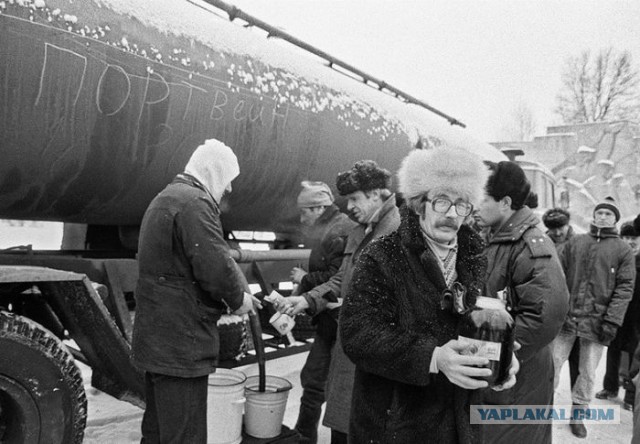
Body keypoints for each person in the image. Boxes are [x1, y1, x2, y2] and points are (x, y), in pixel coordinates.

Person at [339, 147, 518, 443]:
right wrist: (433, 357)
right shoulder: (382, 255)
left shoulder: (473, 259)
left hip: (457, 423)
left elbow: (476, 326)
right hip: (395, 425)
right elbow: (357, 334)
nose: (451, 214)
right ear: (421, 203)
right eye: (442, 201)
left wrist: (502, 356)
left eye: (462, 204)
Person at [131, 139, 257, 443]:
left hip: (157, 343)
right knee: (185, 435)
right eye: (227, 180)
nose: (228, 190)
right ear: (213, 173)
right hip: (181, 347)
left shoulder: (164, 197)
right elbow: (215, 266)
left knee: (158, 432)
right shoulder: (195, 204)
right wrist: (240, 299)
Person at [280, 160, 400, 444]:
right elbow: (341, 279)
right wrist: (307, 300)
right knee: (342, 418)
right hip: (349, 340)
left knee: (364, 423)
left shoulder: (397, 232)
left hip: (374, 349)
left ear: (376, 194)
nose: (349, 207)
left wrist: (351, 306)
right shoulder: (360, 231)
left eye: (355, 198)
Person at [474, 161, 569, 444]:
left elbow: (546, 314)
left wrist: (500, 354)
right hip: (498, 369)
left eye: (482, 198)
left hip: (519, 371)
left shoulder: (529, 245)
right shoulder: (496, 239)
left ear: (505, 202)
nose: (474, 206)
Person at [554, 196, 635, 438]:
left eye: (608, 214)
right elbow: (557, 274)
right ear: (593, 216)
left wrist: (612, 320)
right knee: (552, 365)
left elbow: (624, 288)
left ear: (615, 219)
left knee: (587, 372)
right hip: (566, 320)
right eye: (599, 212)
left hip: (597, 322)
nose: (602, 217)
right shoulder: (576, 242)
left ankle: (578, 416)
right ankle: (542, 410)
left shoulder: (622, 250)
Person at [290, 180, 355, 444]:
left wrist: (305, 280)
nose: (302, 216)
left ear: (318, 208)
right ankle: (303, 435)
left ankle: (305, 435)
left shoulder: (337, 231)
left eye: (305, 210)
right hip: (329, 317)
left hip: (337, 319)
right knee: (314, 380)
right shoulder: (331, 228)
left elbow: (338, 278)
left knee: (328, 385)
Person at [595, 219, 640, 411]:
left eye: (634, 238)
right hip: (619, 310)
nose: (630, 241)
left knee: (634, 353)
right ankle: (610, 387)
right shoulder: (619, 258)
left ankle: (630, 395)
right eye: (627, 237)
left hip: (637, 313)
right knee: (613, 348)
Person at [542, 207, 580, 387]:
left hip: (576, 310)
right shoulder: (542, 242)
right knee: (552, 363)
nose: (557, 233)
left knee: (579, 367)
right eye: (553, 229)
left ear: (568, 224)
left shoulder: (579, 243)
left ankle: (577, 411)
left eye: (561, 228)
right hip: (551, 309)